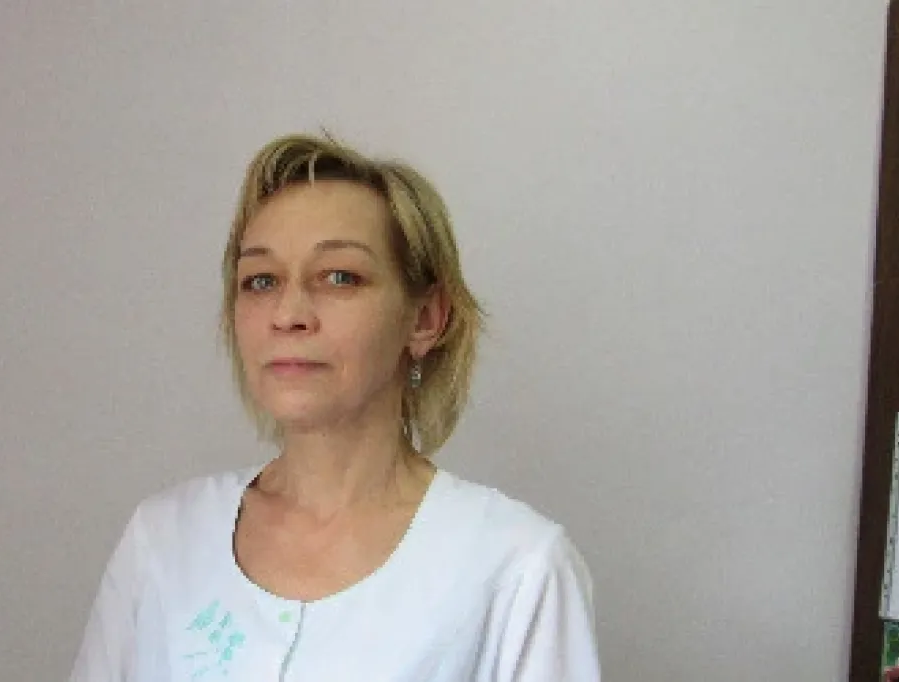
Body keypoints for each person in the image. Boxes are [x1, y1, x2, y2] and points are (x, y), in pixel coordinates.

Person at [68, 133, 601, 681]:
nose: (288, 314)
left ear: (424, 319)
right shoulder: (161, 542)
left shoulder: (517, 569)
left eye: (340, 277)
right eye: (261, 281)